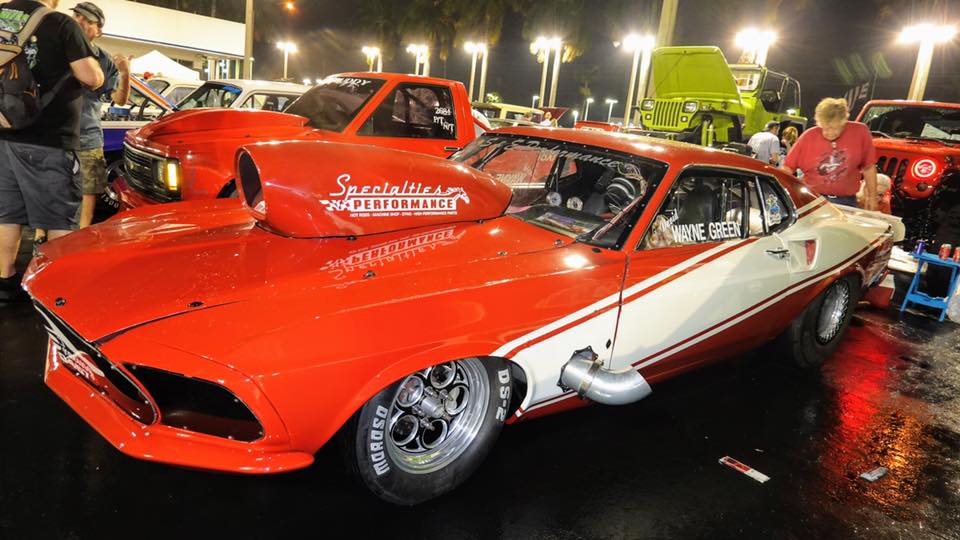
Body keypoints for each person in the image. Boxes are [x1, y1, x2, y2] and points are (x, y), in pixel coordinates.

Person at [0, 0, 104, 302]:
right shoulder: (60, 23)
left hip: (4, 134)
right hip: (48, 139)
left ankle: (5, 281)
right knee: (60, 219)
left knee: (6, 213)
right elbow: (90, 77)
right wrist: (97, 69)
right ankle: (60, 291)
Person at [71, 1, 130, 229]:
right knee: (51, 186)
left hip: (88, 136)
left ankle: (82, 234)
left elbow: (119, 99)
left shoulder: (104, 60)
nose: (80, 22)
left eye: (88, 20)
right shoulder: (55, 49)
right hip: (55, 135)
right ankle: (41, 237)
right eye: (77, 16)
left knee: (89, 189)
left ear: (98, 31)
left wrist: (125, 72)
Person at [781, 97, 878, 210]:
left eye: (835, 128)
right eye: (825, 128)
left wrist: (872, 197)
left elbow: (869, 167)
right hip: (812, 198)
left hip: (845, 201)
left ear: (844, 121)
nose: (829, 133)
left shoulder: (860, 132)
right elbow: (787, 168)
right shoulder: (808, 136)